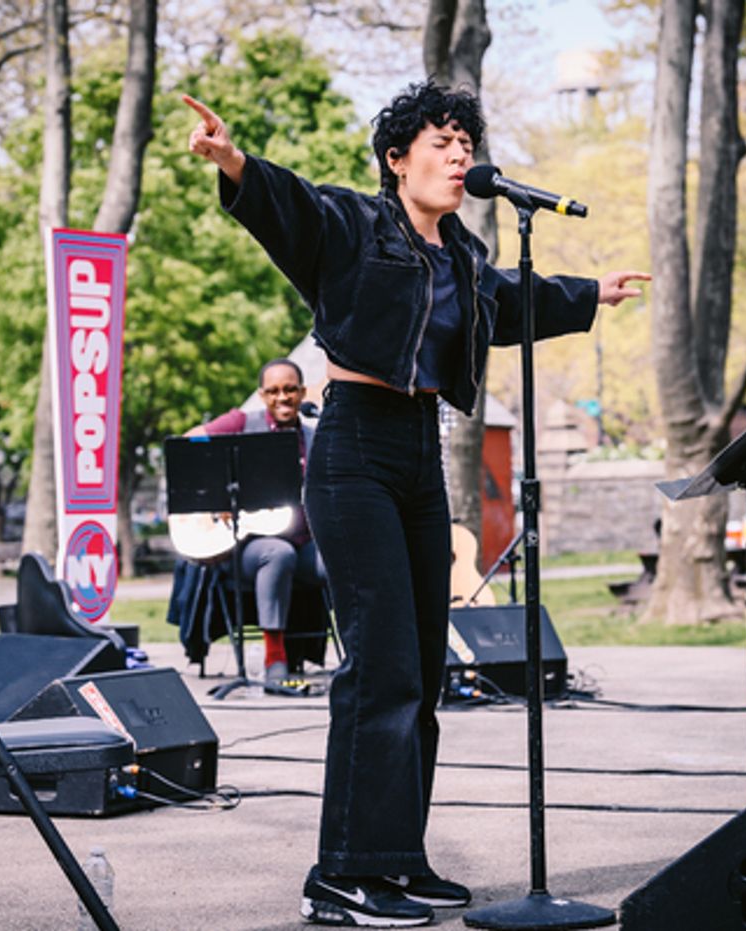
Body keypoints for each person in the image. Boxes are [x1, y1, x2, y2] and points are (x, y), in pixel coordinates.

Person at [185, 82, 649, 926]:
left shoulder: (464, 257)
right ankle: (340, 874)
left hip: (418, 452)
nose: (460, 153)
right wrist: (234, 162)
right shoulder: (354, 228)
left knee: (422, 672)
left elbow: (510, 301)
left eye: (466, 140)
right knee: (381, 668)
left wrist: (591, 293)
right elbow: (289, 206)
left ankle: (396, 860)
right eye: (441, 141)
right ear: (397, 159)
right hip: (354, 447)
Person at [187, 357, 327, 691]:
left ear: (303, 392)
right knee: (278, 554)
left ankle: (361, 655)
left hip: (303, 542)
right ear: (262, 395)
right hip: (250, 548)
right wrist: (217, 498)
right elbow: (191, 441)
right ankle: (274, 660)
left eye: (290, 390)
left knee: (345, 560)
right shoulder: (241, 423)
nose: (283, 398)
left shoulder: (314, 438)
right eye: (274, 391)